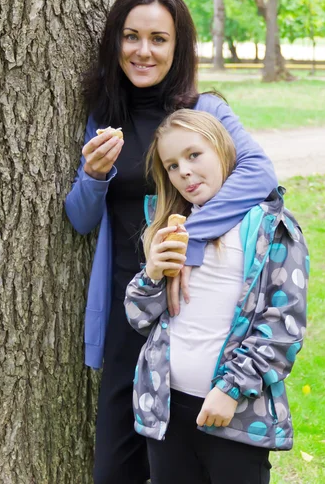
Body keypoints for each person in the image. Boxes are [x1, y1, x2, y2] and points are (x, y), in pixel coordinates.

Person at [65, 0, 278, 484]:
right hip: (129, 310)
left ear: (178, 46)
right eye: (131, 36)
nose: (143, 50)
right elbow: (80, 219)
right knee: (115, 467)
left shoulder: (206, 110)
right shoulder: (104, 116)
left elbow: (259, 173)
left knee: (187, 462)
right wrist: (93, 178)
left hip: (189, 314)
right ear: (115, 42)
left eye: (159, 39)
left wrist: (186, 242)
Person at [125, 109, 309, 484]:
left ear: (224, 150)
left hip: (235, 414)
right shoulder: (170, 227)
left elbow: (283, 325)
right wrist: (153, 273)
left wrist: (230, 390)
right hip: (167, 407)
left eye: (194, 155)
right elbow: (140, 317)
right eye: (172, 165)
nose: (185, 172)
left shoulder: (269, 228)